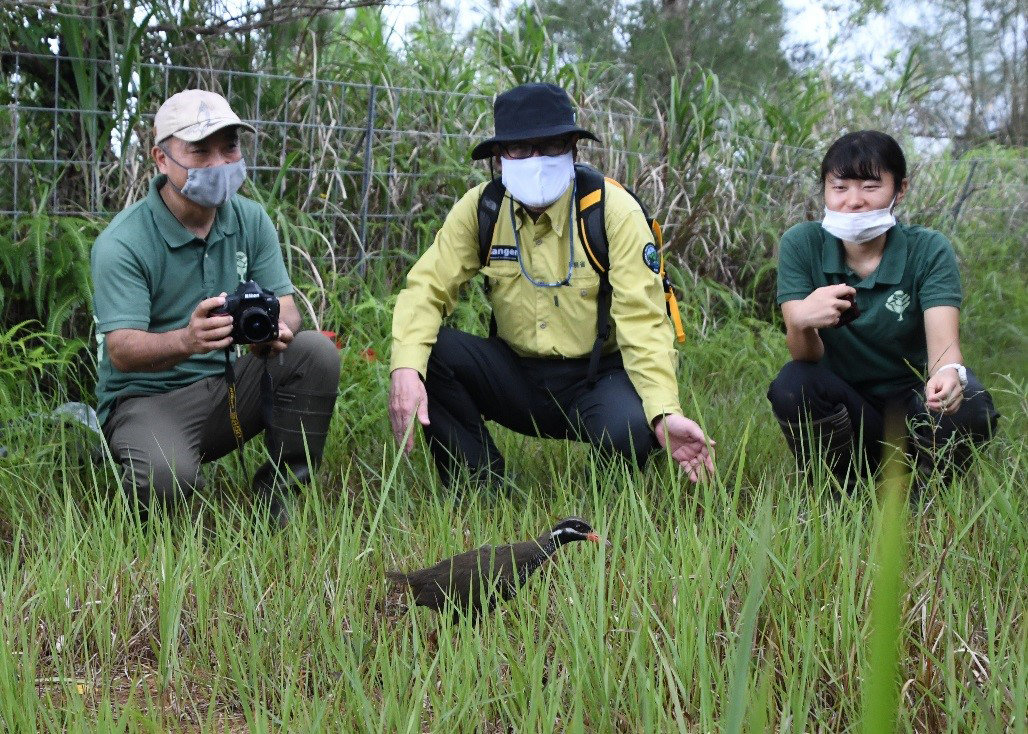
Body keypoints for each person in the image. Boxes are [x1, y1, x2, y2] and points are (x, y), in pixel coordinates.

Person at [388, 82, 715, 490]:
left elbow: (644, 321)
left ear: (574, 150)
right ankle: (477, 488)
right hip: (515, 373)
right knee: (428, 352)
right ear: (498, 157)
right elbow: (426, 289)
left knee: (630, 427)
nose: (537, 160)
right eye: (520, 149)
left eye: (552, 145)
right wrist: (405, 368)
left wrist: (663, 413)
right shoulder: (482, 209)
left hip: (596, 378)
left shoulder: (611, 212)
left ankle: (604, 497)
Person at [91, 89, 340, 523]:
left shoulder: (250, 219)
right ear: (161, 159)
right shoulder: (123, 242)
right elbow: (121, 350)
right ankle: (133, 465)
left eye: (230, 147)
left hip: (228, 386)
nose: (220, 163)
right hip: (146, 398)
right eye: (200, 150)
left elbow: (288, 306)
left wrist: (276, 331)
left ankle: (278, 498)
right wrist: (188, 340)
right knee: (167, 481)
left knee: (315, 351)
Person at [767, 130, 998, 489]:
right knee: (792, 383)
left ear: (900, 190)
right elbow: (804, 354)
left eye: (870, 187)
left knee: (970, 400)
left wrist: (948, 376)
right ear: (825, 191)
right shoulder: (802, 243)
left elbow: (944, 350)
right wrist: (801, 320)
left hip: (913, 406)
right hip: (847, 410)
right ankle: (839, 486)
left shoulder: (928, 249)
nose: (853, 201)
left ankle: (928, 489)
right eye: (840, 188)